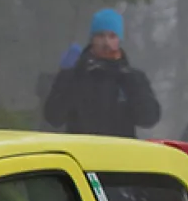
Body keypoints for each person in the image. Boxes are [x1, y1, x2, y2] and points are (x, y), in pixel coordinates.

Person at [43, 10, 161, 138]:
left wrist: (131, 82)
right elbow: (53, 117)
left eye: (112, 36)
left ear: (119, 40)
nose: (106, 43)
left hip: (119, 154)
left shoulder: (132, 78)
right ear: (92, 39)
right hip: (82, 153)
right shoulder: (76, 74)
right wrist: (69, 75)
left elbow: (148, 119)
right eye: (100, 36)